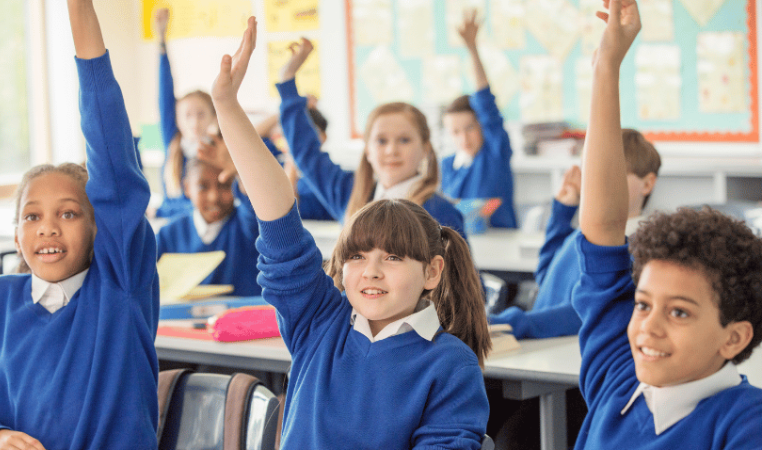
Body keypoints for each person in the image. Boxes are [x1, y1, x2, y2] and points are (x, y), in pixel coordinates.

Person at [209, 17, 491, 449]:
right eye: (357, 256)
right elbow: (279, 221)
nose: (371, 272)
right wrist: (227, 107)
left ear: (433, 271)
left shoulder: (451, 364)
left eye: (393, 257)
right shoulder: (319, 321)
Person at [0, 1, 159, 448]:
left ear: (99, 229)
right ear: (16, 235)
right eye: (32, 216)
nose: (48, 228)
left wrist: (79, 14)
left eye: (68, 213)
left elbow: (113, 163)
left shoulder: (119, 287)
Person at [573, 1, 762, 448]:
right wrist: (606, 66)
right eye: (642, 305)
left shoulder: (746, 425)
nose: (648, 328)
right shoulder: (618, 376)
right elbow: (602, 226)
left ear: (733, 338)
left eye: (679, 312)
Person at [277, 38, 466, 236]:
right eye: (381, 141)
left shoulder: (441, 213)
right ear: (368, 150)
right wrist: (287, 79)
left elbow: (458, 268)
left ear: (425, 149)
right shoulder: (351, 194)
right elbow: (307, 154)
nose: (391, 150)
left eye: (404, 140)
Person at [489, 128, 660, 340]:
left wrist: (515, 322)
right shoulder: (586, 231)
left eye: (613, 175)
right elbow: (546, 277)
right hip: (541, 344)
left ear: (647, 184)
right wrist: (562, 213)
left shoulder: (637, 246)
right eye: (591, 173)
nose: (597, 184)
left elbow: (585, 312)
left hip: (561, 348)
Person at [441, 9, 516, 229]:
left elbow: (485, 101)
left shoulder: (495, 153)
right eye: (455, 131)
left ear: (482, 126)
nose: (463, 137)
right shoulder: (447, 165)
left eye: (470, 127)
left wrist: (472, 49)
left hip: (500, 247)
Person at [155, 142, 262, 296]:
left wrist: (240, 171)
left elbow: (254, 202)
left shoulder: (247, 225)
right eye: (202, 187)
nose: (214, 197)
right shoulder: (168, 234)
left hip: (241, 316)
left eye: (224, 185)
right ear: (187, 188)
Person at [154, 7, 217, 219]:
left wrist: (162, 211)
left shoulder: (219, 151)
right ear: (178, 121)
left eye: (201, 115)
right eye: (187, 116)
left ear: (213, 118)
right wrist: (162, 42)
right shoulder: (174, 144)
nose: (194, 122)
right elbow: (165, 97)